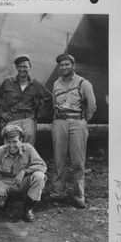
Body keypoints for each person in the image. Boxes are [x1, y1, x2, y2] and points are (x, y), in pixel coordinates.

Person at [50, 54, 97, 208]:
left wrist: (83, 121)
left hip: (77, 123)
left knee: (78, 161)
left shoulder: (84, 83)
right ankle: (58, 192)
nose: (64, 67)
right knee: (59, 160)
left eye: (66, 64)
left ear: (73, 65)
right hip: (59, 123)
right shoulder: (56, 84)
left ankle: (79, 196)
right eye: (61, 65)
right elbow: (53, 104)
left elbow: (92, 106)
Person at [0, 125, 47, 222]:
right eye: (8, 142)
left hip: (22, 182)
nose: (11, 145)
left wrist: (24, 171)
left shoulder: (28, 149)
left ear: (21, 140)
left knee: (39, 176)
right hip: (5, 181)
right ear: (4, 141)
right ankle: (7, 201)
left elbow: (42, 166)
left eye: (15, 141)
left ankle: (28, 208)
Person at [0, 55, 52, 145]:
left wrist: (39, 114)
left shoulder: (36, 84)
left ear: (30, 66)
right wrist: (1, 113)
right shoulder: (8, 82)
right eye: (20, 67)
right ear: (16, 67)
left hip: (28, 120)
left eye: (25, 66)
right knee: (11, 146)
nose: (22, 69)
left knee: (28, 147)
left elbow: (48, 97)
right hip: (12, 119)